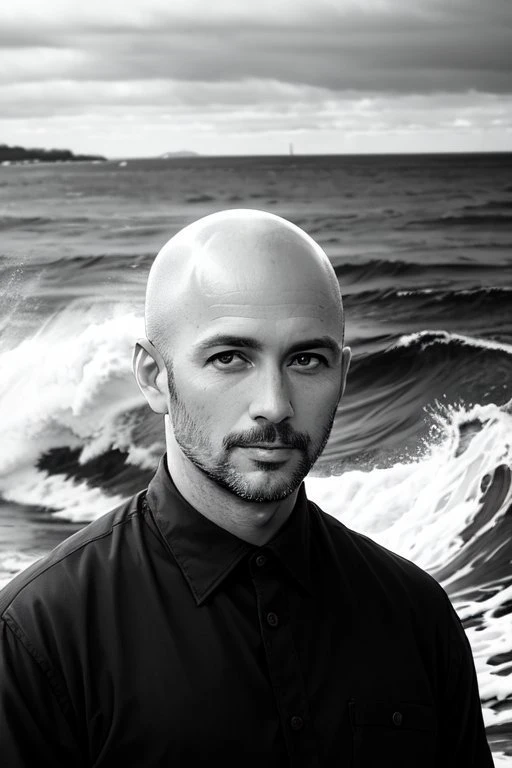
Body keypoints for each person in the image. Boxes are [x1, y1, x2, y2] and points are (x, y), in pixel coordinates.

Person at [0, 209, 493, 767]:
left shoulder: (415, 614)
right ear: (153, 376)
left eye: (307, 360)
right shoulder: (37, 636)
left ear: (343, 373)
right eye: (230, 358)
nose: (275, 406)